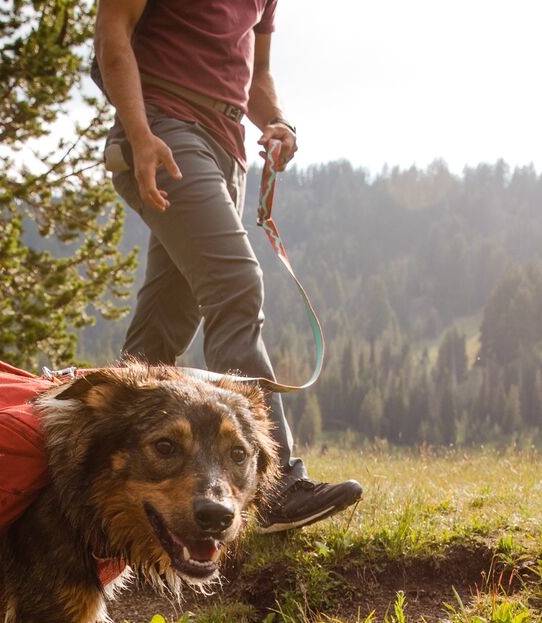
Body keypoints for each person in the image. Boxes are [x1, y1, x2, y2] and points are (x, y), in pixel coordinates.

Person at [95, 0, 362, 532]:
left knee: (167, 318)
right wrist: (139, 132)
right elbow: (112, 31)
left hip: (226, 146)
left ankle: (94, 471)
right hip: (165, 133)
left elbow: (256, 76)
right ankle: (275, 484)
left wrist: (278, 121)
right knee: (236, 286)